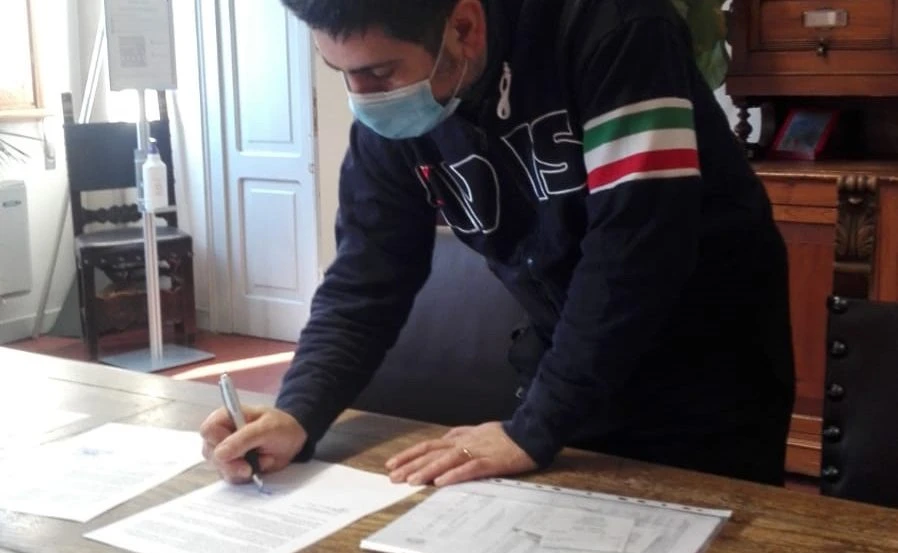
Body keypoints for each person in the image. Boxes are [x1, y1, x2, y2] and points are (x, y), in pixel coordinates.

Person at [200, 0, 796, 489]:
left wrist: (535, 426)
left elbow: (637, 251)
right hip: (571, 359)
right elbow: (366, 274)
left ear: (463, 27)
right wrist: (298, 410)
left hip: (705, 368)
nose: (364, 97)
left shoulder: (613, 26)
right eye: (343, 74)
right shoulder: (393, 116)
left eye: (379, 74)